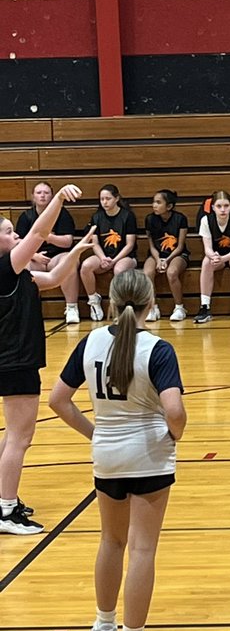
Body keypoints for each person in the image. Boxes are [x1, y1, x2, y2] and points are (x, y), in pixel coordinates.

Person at [49, 270, 186, 631]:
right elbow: (174, 410)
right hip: (147, 455)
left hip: (107, 455)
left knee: (111, 542)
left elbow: (59, 400)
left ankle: (104, 628)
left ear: (110, 301)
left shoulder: (89, 342)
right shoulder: (158, 349)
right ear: (149, 302)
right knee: (142, 549)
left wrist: (97, 433)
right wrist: (174, 434)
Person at [0, 184, 95, 535]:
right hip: (15, 361)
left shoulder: (18, 272)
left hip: (15, 360)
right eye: (9, 232)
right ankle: (7, 512)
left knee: (12, 436)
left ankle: (2, 499)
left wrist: (77, 252)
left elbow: (54, 278)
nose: (17, 234)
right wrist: (57, 198)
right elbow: (40, 232)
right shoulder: (5, 266)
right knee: (20, 438)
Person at [16, 180, 81, 325]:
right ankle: (26, 309)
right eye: (39, 193)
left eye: (46, 193)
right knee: (22, 267)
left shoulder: (62, 214)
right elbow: (18, 242)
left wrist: (49, 237)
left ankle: (71, 307)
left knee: (69, 263)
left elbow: (68, 241)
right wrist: (33, 255)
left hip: (57, 256)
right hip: (35, 257)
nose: (42, 196)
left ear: (52, 196)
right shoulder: (26, 217)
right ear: (33, 196)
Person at [80, 184, 139, 321]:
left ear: (116, 198)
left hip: (125, 256)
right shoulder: (97, 217)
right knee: (85, 266)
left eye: (108, 198)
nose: (105, 202)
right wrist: (102, 258)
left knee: (119, 270)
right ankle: (94, 300)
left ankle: (118, 305)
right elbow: (95, 243)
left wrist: (114, 260)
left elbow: (130, 245)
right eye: (102, 199)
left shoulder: (127, 216)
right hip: (104, 256)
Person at [194, 190, 230, 324]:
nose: (223, 209)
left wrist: (223, 259)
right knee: (206, 262)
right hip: (216, 255)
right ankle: (205, 307)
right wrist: (214, 256)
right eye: (219, 206)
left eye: (226, 206)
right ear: (213, 207)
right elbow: (207, 248)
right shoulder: (206, 220)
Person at [142, 189, 189, 323]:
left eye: (158, 202)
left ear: (169, 206)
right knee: (147, 272)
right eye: (153, 202)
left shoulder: (180, 219)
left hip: (176, 254)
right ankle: (152, 307)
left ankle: (179, 307)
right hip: (156, 254)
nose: (154, 205)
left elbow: (180, 246)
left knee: (172, 272)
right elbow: (151, 245)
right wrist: (158, 260)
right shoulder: (150, 219)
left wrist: (166, 260)